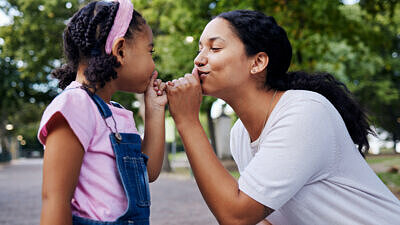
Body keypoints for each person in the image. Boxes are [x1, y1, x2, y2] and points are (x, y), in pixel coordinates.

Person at [166, 10, 400, 225]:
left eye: (214, 48)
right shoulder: (240, 134)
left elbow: (236, 216)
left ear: (257, 62)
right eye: (200, 49)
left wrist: (187, 121)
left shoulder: (304, 112)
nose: (199, 60)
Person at [37, 0, 167, 224]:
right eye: (150, 51)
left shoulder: (116, 113)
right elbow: (55, 200)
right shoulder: (74, 106)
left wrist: (155, 109)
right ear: (120, 50)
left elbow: (147, 173)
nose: (153, 63)